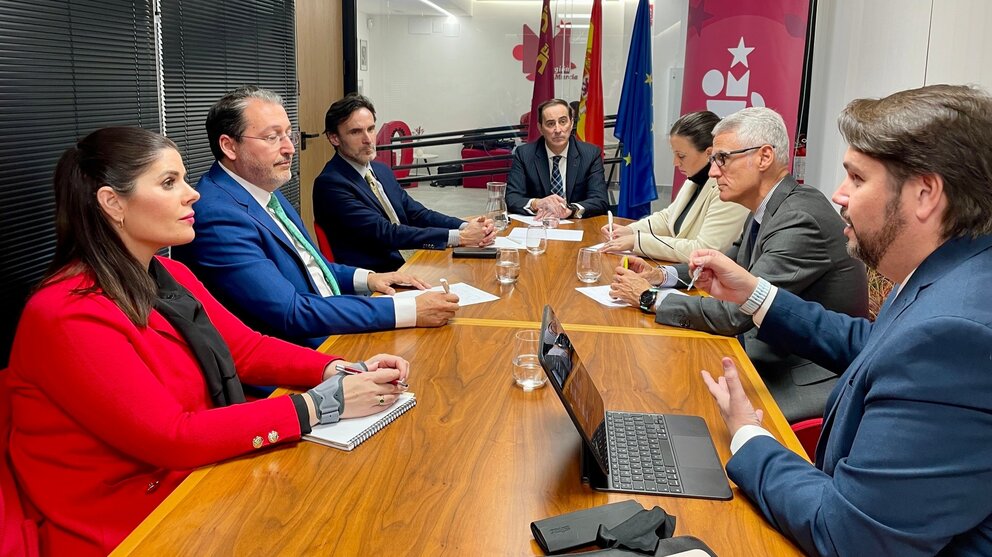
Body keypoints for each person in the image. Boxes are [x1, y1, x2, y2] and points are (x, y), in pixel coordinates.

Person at [5, 127, 412, 556]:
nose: (192, 194)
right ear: (112, 203)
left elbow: (247, 349)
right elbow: (171, 438)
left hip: (199, 481)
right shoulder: (65, 314)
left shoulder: (169, 274)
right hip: (129, 522)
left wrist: (340, 370)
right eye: (168, 183)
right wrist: (322, 404)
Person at [693, 84, 992, 556]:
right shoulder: (956, 271)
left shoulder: (957, 334)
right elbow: (871, 341)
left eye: (856, 178)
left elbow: (851, 535)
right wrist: (754, 294)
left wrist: (749, 436)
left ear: (925, 193)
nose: (839, 195)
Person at [610, 107, 867, 423]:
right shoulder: (772, 206)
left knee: (673, 399)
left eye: (722, 159)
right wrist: (661, 275)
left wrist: (649, 298)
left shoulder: (799, 218)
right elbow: (728, 262)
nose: (714, 171)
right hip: (763, 351)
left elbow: (737, 312)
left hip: (798, 375)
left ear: (763, 157)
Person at [172, 86, 459, 348]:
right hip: (300, 352)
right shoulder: (216, 216)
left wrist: (370, 279)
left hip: (328, 323)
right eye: (273, 137)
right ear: (229, 146)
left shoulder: (262, 188)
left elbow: (312, 268)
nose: (290, 148)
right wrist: (408, 310)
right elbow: (290, 312)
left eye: (288, 134)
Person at [313, 93, 495, 272]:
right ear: (334, 138)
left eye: (370, 129)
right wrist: (460, 238)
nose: (368, 139)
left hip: (411, 260)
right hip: (381, 276)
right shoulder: (331, 184)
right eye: (355, 132)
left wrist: (465, 227)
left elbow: (417, 213)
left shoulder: (380, 169)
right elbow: (386, 232)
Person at [598, 111, 749, 261]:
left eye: (681, 156)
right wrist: (629, 230)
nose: (675, 163)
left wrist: (637, 241)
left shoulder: (728, 189)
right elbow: (668, 217)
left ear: (709, 153)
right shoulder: (695, 178)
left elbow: (705, 250)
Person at [504, 98, 609, 220]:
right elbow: (512, 198)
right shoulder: (525, 154)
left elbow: (599, 200)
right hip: (538, 226)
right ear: (540, 128)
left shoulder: (590, 154)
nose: (558, 130)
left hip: (577, 227)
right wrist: (537, 203)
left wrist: (570, 209)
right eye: (550, 124)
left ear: (571, 123)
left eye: (563, 122)